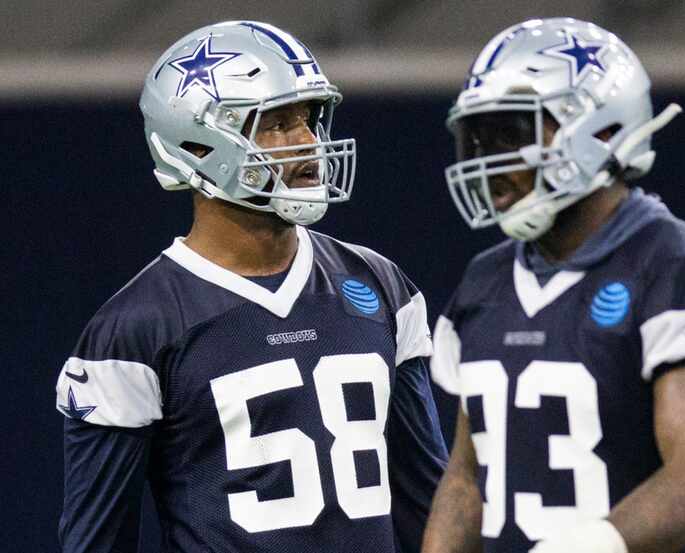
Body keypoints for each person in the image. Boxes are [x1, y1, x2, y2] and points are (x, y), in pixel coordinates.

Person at [55, 21, 447, 553]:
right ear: (198, 143)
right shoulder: (137, 328)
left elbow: (428, 505)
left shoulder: (380, 283)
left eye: (309, 118)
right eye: (277, 123)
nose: (308, 142)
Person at [424, 18, 685, 553]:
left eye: (511, 133)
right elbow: (468, 480)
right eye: (479, 137)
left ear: (602, 129)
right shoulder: (485, 282)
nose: (489, 159)